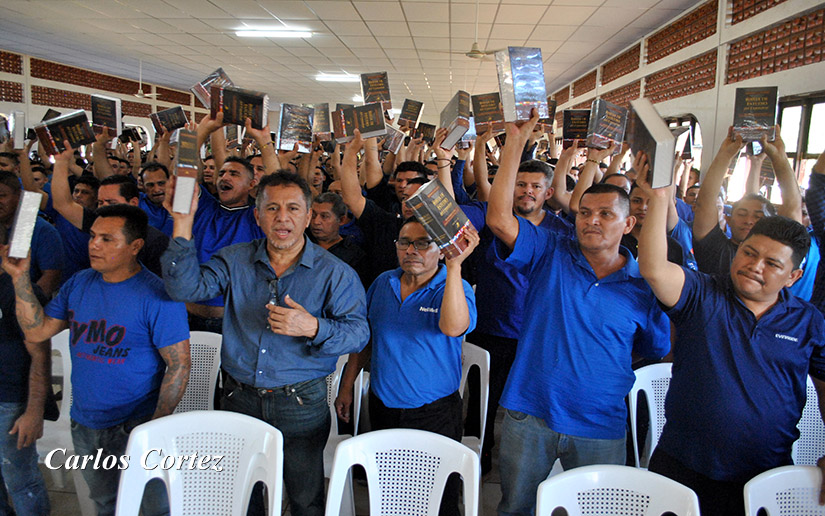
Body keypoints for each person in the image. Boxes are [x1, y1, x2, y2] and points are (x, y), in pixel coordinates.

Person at [485, 111, 670, 516]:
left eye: (606, 214)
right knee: (515, 506)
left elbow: (651, 349)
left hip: (600, 421)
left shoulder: (645, 287)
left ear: (629, 223)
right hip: (529, 411)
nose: (592, 221)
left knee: (597, 511)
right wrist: (514, 145)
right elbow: (499, 219)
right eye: (585, 212)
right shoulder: (551, 250)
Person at [161, 172, 369, 516]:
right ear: (257, 216)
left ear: (307, 216)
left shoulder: (335, 273)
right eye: (271, 208)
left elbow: (359, 334)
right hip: (237, 396)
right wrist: (183, 222)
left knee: (305, 498)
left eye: (292, 208)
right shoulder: (235, 259)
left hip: (301, 403)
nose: (282, 218)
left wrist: (313, 326)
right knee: (244, 491)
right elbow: (184, 289)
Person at [636, 164, 825, 516]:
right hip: (682, 463)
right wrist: (660, 198)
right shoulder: (703, 294)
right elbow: (654, 268)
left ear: (793, 276)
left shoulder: (807, 321)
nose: (755, 266)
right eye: (750, 253)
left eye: (772, 263)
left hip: (765, 472)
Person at [1, 204, 190, 516]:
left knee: (152, 507)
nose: (94, 245)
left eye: (106, 239)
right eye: (92, 237)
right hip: (86, 421)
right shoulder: (80, 284)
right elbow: (37, 332)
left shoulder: (158, 296)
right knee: (106, 504)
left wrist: (154, 427)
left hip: (135, 423)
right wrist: (20, 278)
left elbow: (180, 364)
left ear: (135, 246)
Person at [336, 218, 478, 516]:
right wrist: (347, 386)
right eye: (404, 242)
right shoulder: (383, 282)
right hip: (383, 405)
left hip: (434, 412)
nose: (412, 250)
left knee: (437, 498)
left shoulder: (455, 287)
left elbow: (453, 328)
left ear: (442, 250)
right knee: (391, 493)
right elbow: (366, 341)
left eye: (424, 243)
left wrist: (454, 267)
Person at [692, 128, 800, 275]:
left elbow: (792, 207)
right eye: (742, 214)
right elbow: (705, 202)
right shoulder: (716, 249)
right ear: (728, 220)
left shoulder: (780, 255)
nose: (749, 221)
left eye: (758, 216)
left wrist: (778, 156)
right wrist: (726, 154)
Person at [0, 256, 50, 515]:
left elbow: (41, 353)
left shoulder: (18, 290)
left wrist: (34, 411)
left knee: (20, 481)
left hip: (10, 401)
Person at [0, 171, 64, 296]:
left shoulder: (38, 229)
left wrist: (22, 305)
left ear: (19, 196)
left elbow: (50, 278)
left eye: (2, 196)